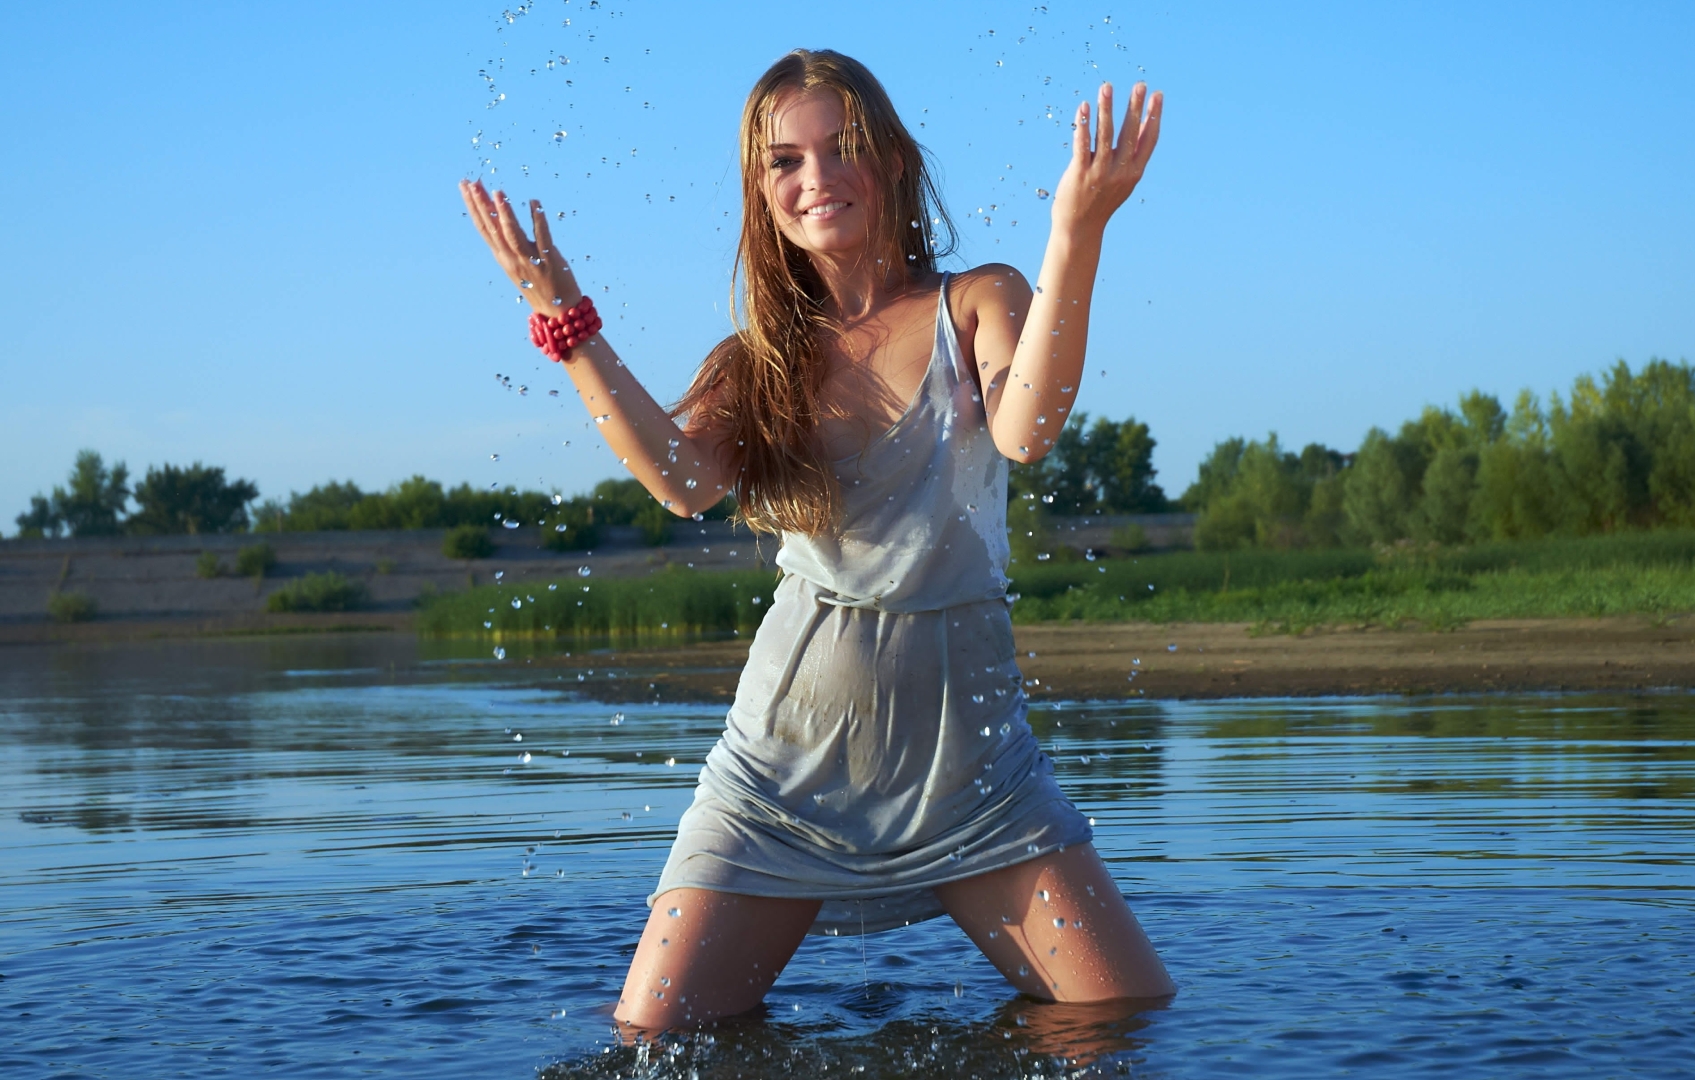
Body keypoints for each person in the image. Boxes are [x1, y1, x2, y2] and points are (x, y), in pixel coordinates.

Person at [458, 48, 1171, 1032]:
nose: (816, 178)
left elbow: (1028, 427)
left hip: (972, 768)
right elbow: (683, 480)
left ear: (891, 164)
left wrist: (1077, 231)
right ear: (761, 192)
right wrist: (566, 325)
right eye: (784, 161)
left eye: (842, 150)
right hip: (783, 771)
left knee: (1122, 1017)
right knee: (655, 1038)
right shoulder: (753, 364)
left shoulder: (976, 304)